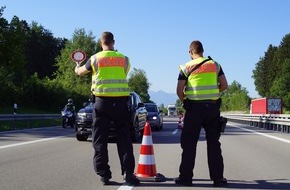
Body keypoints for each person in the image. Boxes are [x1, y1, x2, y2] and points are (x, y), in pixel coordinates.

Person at [74, 31, 140, 186]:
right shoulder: (125, 59)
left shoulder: (95, 59)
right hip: (121, 103)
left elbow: (81, 72)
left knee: (99, 140)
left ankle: (104, 175)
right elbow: (123, 73)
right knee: (124, 139)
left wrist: (77, 67)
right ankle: (128, 174)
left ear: (100, 43)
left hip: (101, 103)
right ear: (113, 42)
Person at [175, 40, 228, 187]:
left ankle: (185, 178)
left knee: (189, 144)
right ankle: (218, 179)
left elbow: (179, 90)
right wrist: (213, 92)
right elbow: (224, 85)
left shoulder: (186, 67)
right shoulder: (215, 65)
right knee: (214, 144)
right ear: (203, 51)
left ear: (190, 52)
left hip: (194, 110)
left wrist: (185, 100)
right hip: (212, 109)